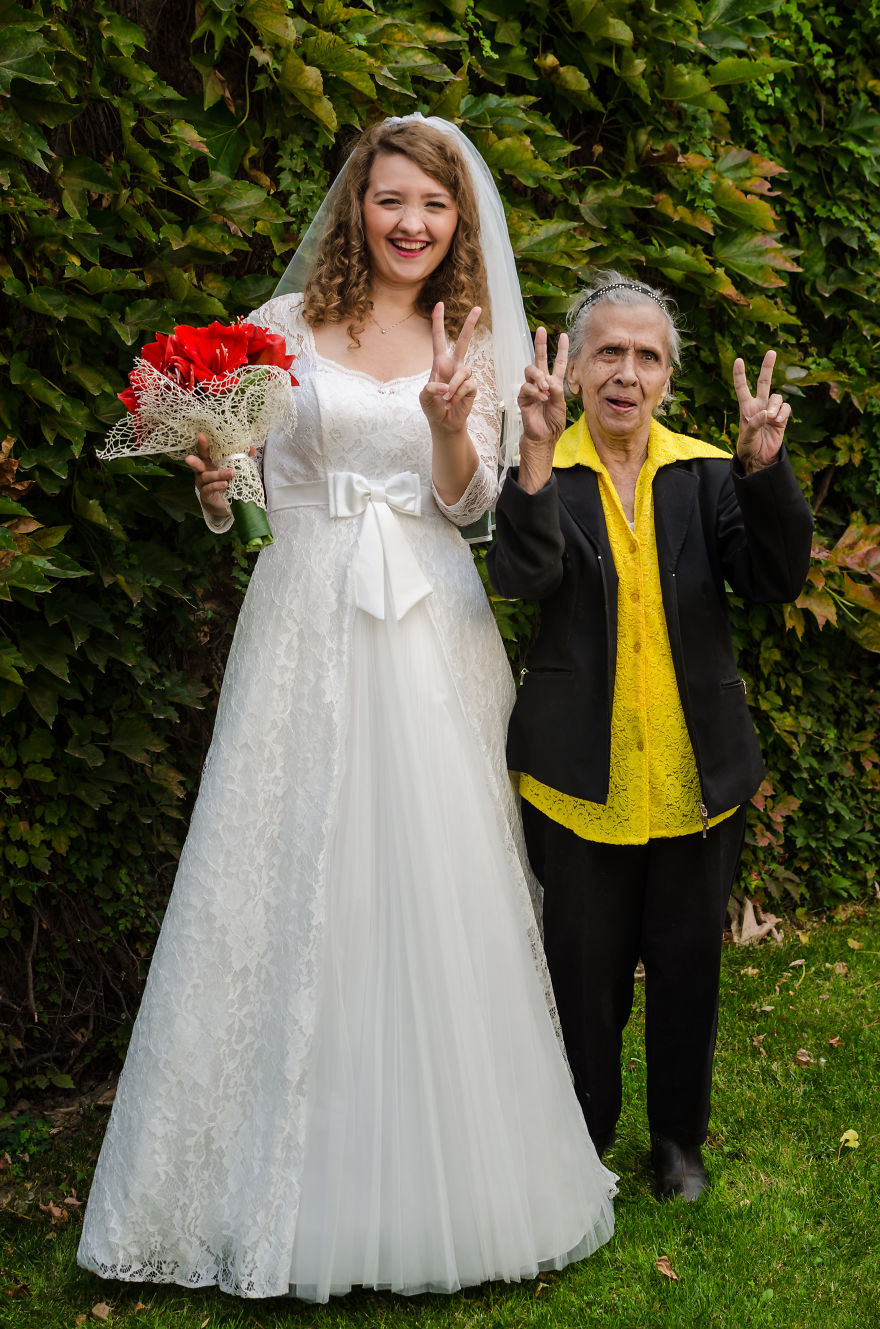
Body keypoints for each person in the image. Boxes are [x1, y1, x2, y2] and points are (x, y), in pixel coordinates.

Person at [77, 117, 615, 1302]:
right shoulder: (279, 333)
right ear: (355, 209)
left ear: (456, 222)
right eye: (390, 201)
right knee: (282, 872)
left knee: (434, 879)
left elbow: (473, 505)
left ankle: (452, 1181)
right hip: (304, 615)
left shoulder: (465, 335)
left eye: (432, 205)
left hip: (428, 619)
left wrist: (443, 423)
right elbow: (252, 491)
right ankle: (251, 1181)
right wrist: (220, 488)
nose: (410, 223)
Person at [487, 271, 813, 1201]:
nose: (626, 372)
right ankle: (583, 1139)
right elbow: (522, 575)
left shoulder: (709, 470)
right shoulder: (550, 467)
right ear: (578, 367)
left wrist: (764, 470)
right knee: (583, 976)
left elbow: (776, 579)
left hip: (694, 774)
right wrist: (537, 459)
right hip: (576, 772)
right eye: (609, 352)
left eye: (647, 356)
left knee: (686, 968)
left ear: (669, 376)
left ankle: (676, 1141)